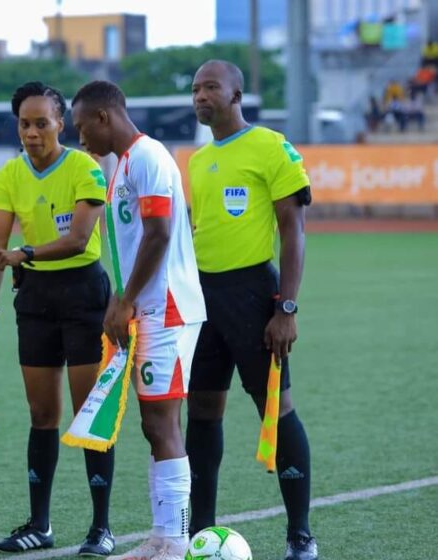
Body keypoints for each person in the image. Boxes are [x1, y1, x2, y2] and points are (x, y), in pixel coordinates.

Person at [0, 81, 116, 556]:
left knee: (88, 414)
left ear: (60, 123)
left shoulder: (84, 168)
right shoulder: (8, 175)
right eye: (25, 124)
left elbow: (77, 240)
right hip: (36, 297)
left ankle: (101, 528)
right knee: (42, 415)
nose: (32, 132)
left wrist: (17, 254)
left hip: (83, 292)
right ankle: (41, 525)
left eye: (41, 123)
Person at [185, 60, 318, 560]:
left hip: (252, 296)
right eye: (196, 88)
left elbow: (294, 230)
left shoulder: (270, 146)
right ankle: (200, 533)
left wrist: (286, 306)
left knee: (275, 409)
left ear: (237, 94)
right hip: (203, 299)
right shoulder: (197, 161)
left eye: (211, 87)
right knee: (201, 409)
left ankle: (300, 534)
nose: (201, 95)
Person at [69, 80, 207, 560]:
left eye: (82, 126)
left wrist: (124, 299)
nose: (79, 136)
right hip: (147, 308)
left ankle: (174, 540)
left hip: (164, 309)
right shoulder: (127, 164)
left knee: (163, 422)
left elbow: (160, 233)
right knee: (155, 424)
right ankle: (162, 536)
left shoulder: (147, 158)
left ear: (104, 118)